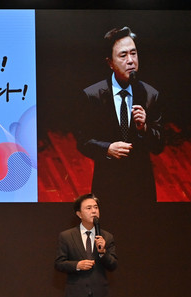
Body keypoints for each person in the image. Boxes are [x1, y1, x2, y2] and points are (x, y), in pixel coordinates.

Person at [77, 26, 164, 207]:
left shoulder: (150, 95)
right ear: (110, 62)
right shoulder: (93, 96)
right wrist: (107, 148)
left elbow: (158, 146)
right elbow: (83, 142)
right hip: (107, 184)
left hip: (141, 186)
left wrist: (144, 128)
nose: (130, 60)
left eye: (134, 53)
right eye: (123, 55)